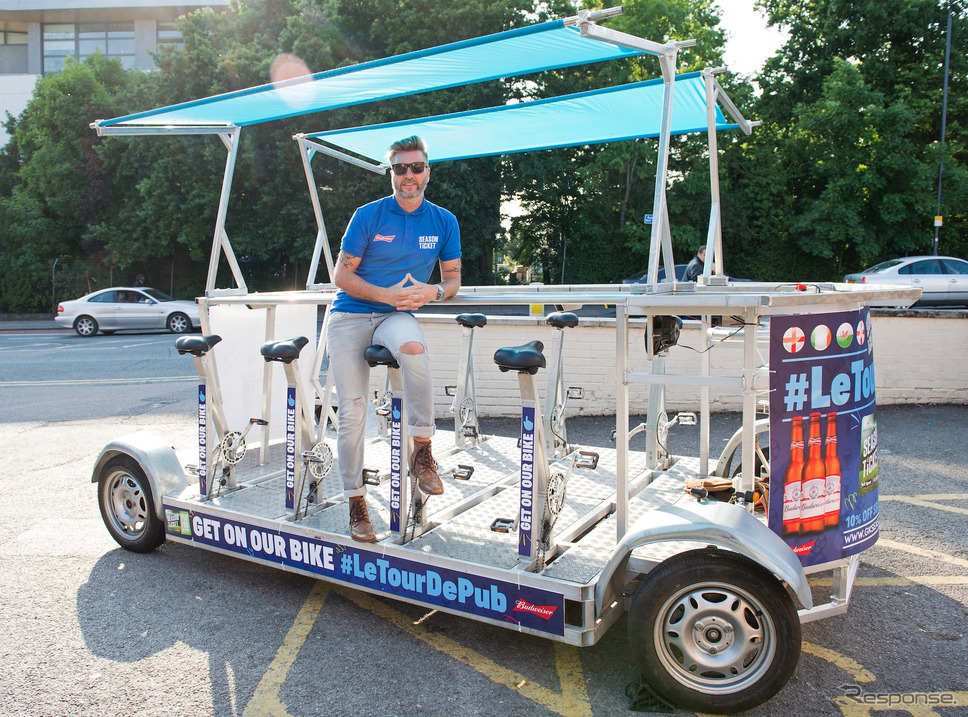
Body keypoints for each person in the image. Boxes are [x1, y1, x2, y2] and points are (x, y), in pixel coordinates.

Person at [327, 136, 461, 542]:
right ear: (391, 173)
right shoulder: (368, 215)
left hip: (395, 316)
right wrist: (387, 294)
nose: (408, 175)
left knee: (415, 350)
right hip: (350, 314)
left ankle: (422, 452)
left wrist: (432, 292)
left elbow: (453, 280)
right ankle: (356, 503)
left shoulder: (443, 221)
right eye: (400, 168)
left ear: (427, 173)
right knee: (352, 412)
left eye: (416, 167)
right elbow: (342, 275)